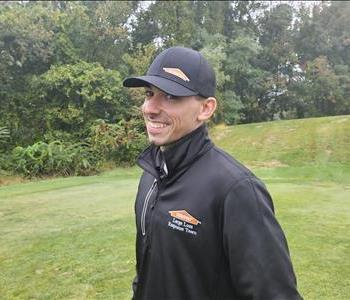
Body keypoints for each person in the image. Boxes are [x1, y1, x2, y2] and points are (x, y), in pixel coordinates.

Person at [123, 46, 302, 300]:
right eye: (149, 93)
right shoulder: (151, 176)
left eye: (171, 97)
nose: (150, 108)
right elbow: (149, 270)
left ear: (206, 109)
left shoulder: (236, 189)